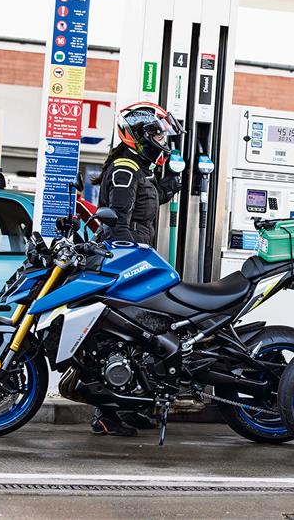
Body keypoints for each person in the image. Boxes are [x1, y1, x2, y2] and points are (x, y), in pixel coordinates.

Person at [89, 101, 184, 436]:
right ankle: (106, 413)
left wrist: (174, 172)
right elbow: (118, 224)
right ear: (138, 134)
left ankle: (124, 407)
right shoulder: (125, 170)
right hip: (126, 261)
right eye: (156, 133)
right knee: (121, 335)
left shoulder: (137, 168)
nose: (162, 138)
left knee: (137, 337)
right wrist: (133, 262)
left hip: (137, 257)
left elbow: (154, 197)